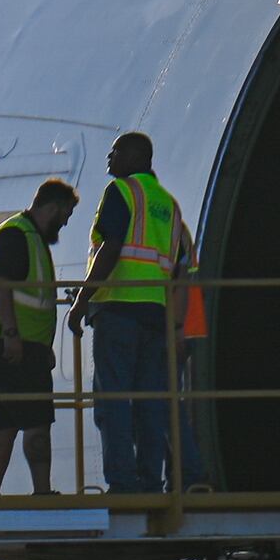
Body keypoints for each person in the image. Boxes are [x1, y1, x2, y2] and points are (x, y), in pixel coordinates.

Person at [67, 133, 194, 493]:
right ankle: (150, 480)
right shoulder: (168, 205)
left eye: (116, 151)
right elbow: (176, 267)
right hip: (155, 312)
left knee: (113, 401)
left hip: (118, 309)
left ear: (136, 156)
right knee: (151, 402)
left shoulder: (122, 192)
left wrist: (82, 301)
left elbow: (111, 249)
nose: (109, 158)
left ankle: (122, 481)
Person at [0, 179, 76, 494]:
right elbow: (0, 285)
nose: (65, 222)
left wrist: (43, 346)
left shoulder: (28, 236)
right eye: (65, 214)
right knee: (36, 421)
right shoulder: (17, 235)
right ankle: (42, 492)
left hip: (15, 345)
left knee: (5, 419)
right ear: (53, 207)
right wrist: (12, 335)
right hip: (12, 345)